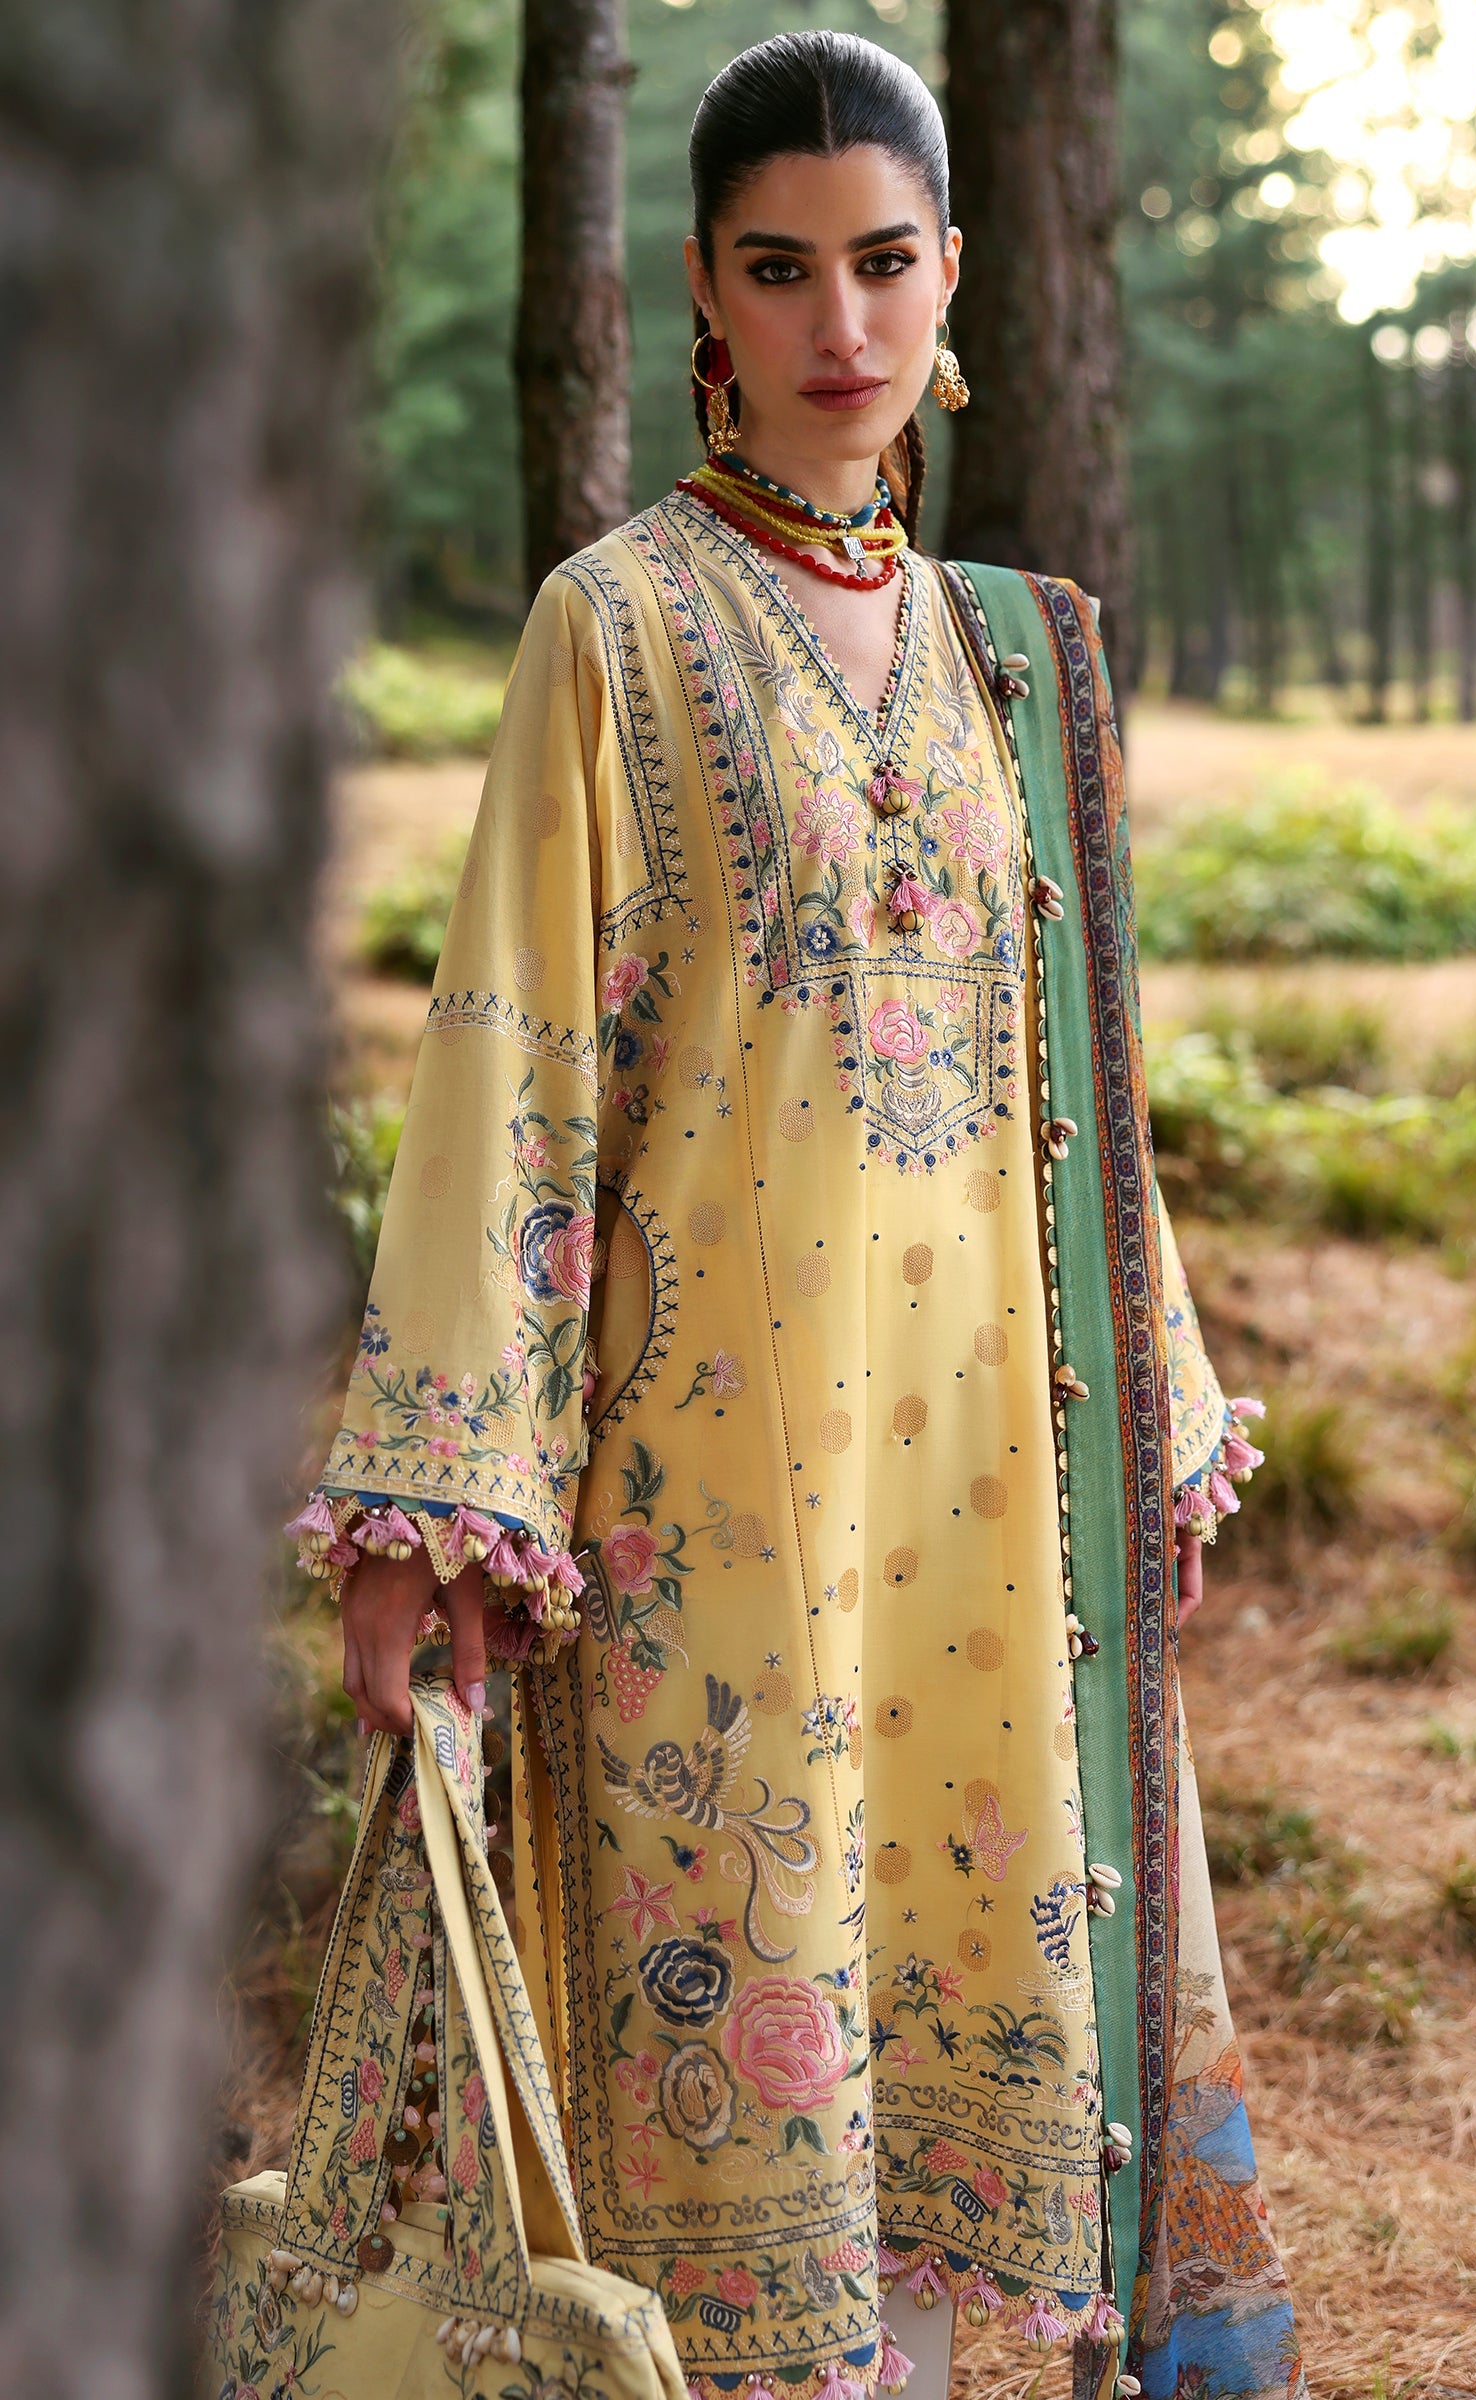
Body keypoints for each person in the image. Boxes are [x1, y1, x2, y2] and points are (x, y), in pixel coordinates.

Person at [290, 31, 1305, 2400]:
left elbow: (1079, 1092)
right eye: (776, 269)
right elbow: (511, 1072)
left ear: (954, 278)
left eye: (879, 261)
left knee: (975, 2025)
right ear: (699, 293)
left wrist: (1146, 1424)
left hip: (990, 1492)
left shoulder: (1015, 654)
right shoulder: (612, 627)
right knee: (747, 2089)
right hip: (718, 1508)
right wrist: (437, 1503)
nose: (835, 324)